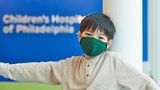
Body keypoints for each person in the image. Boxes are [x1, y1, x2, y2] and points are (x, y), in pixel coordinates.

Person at [0, 13, 159, 90]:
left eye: (100, 37)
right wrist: (4, 69)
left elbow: (147, 85)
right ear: (79, 36)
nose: (93, 39)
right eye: (88, 34)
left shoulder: (114, 62)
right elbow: (35, 70)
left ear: (108, 43)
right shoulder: (68, 66)